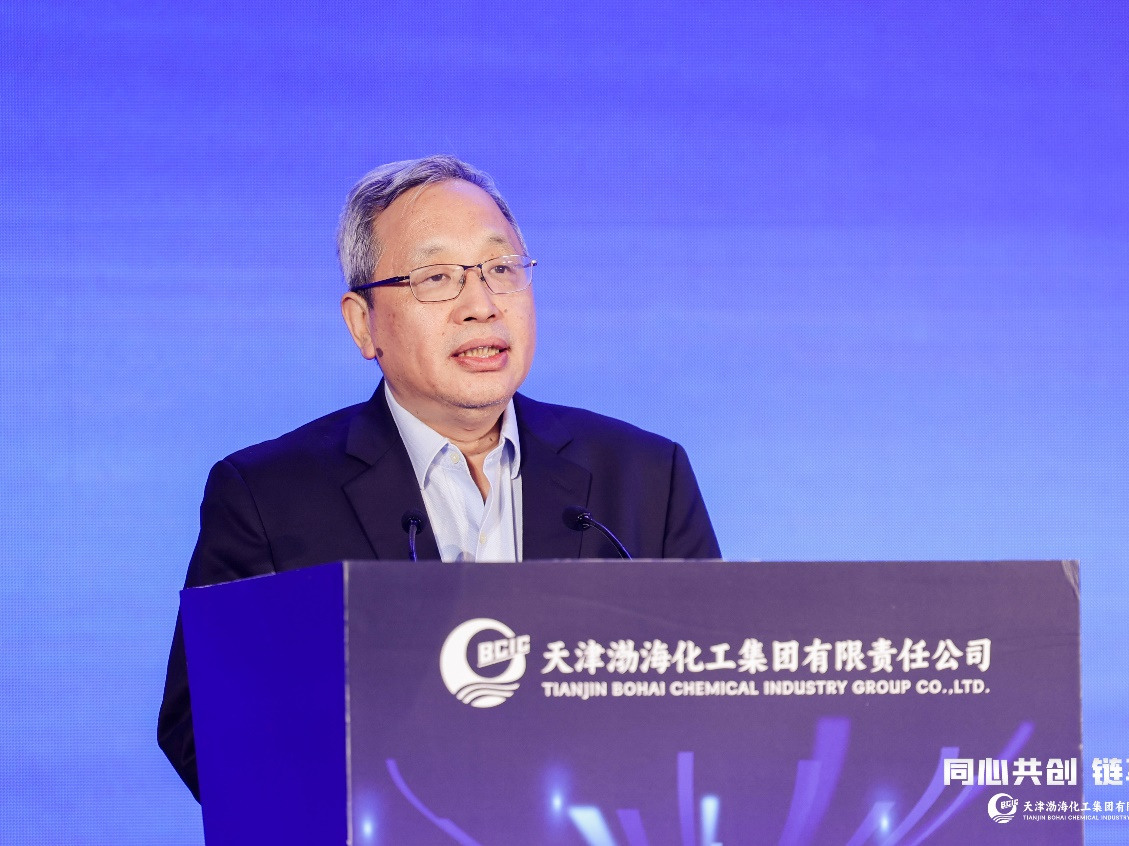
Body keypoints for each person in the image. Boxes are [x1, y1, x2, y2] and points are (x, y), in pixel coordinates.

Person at [158, 155, 721, 800]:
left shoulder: (646, 476)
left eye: (501, 269)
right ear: (363, 323)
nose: (481, 305)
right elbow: (207, 730)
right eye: (436, 278)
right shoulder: (268, 496)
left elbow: (714, 702)